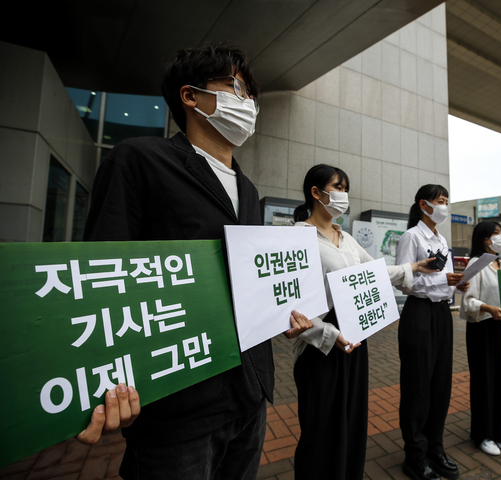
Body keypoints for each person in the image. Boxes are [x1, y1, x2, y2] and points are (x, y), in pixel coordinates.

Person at [81, 42, 312, 479]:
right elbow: (102, 278)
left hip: (249, 392)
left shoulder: (246, 187)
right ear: (190, 96)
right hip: (177, 408)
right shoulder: (140, 160)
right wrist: (106, 385)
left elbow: (245, 282)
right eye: (234, 87)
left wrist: (281, 311)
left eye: (250, 95)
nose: (247, 103)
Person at [291, 165, 438, 480]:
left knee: (352, 420)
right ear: (316, 193)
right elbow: (289, 304)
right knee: (321, 428)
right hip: (320, 348)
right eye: (337, 187)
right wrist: (329, 333)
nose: (343, 194)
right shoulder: (296, 236)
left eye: (346, 187)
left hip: (355, 341)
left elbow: (374, 273)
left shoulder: (345, 238)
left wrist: (413, 267)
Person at [395, 185, 468, 480]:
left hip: (441, 315)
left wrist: (455, 283)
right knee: (418, 386)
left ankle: (434, 447)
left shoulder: (442, 238)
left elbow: (443, 280)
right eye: (440, 201)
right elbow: (404, 281)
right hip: (419, 313)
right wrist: (443, 280)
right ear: (424, 205)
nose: (445, 207)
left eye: (447, 202)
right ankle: (414, 455)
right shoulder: (411, 236)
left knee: (440, 383)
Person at [459, 221, 501, 457]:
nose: (500, 237)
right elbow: (468, 302)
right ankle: (483, 435)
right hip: (481, 328)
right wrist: (488, 308)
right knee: (484, 380)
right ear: (483, 239)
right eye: (495, 234)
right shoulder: (476, 264)